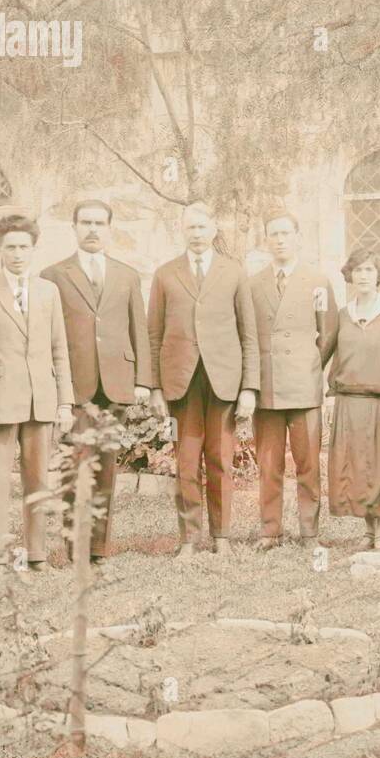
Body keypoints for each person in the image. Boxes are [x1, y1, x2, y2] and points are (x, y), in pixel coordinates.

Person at [0, 213, 74, 576]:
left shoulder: (48, 291)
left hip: (40, 400)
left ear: (33, 249)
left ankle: (37, 556)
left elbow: (60, 350)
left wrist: (65, 402)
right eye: (10, 247)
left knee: (38, 480)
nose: (18, 254)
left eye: (24, 247)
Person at [40, 199, 152, 566]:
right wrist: (57, 389)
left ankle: (99, 549)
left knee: (106, 470)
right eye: (85, 222)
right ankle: (75, 549)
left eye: (99, 223)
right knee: (77, 468)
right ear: (73, 227)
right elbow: (49, 337)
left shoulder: (127, 275)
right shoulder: (53, 276)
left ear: (109, 228)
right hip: (76, 387)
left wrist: (143, 382)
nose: (92, 229)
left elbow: (140, 329)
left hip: (116, 385)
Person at [147, 202, 259, 558]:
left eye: (202, 227)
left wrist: (249, 388)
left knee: (220, 458)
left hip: (222, 381)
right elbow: (154, 334)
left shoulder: (234, 272)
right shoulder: (165, 274)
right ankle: (189, 539)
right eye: (190, 228)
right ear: (182, 231)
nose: (196, 234)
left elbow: (249, 334)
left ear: (214, 230)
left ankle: (222, 537)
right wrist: (155, 388)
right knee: (186, 461)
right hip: (181, 383)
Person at [249, 211, 339, 549]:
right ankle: (270, 530)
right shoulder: (253, 283)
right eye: (274, 234)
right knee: (268, 464)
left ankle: (309, 532)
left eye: (286, 233)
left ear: (298, 236)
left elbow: (328, 331)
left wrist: (311, 364)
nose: (280, 240)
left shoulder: (317, 281)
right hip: (267, 388)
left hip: (304, 386)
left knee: (307, 463)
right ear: (266, 240)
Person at [326, 247, 380, 551]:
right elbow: (333, 355)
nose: (363, 276)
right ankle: (369, 532)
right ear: (350, 274)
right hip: (350, 401)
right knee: (358, 467)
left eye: (369, 270)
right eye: (358, 270)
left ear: (379, 276)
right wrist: (331, 395)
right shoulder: (343, 315)